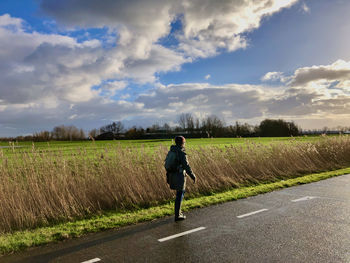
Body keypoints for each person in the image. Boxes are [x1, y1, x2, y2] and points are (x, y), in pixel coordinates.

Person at [167, 136, 196, 221]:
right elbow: (186, 166)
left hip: (172, 174)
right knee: (180, 194)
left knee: (179, 194)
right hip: (179, 175)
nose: (185, 144)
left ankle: (178, 213)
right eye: (184, 142)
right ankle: (178, 215)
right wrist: (193, 175)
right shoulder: (181, 153)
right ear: (182, 143)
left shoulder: (172, 151)